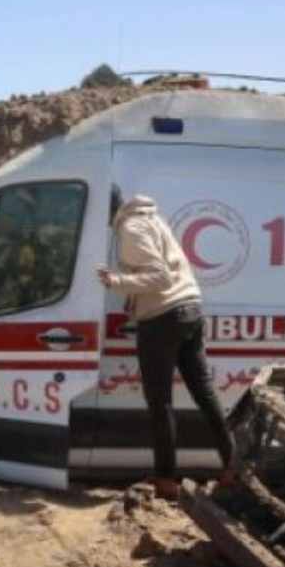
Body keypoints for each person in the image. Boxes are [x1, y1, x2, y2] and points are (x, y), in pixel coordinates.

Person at [96, 194, 234, 497]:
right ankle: (233, 466)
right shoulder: (151, 219)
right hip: (190, 309)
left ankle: (166, 480)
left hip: (162, 317)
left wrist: (115, 281)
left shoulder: (131, 227)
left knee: (160, 402)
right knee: (204, 393)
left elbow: (158, 278)